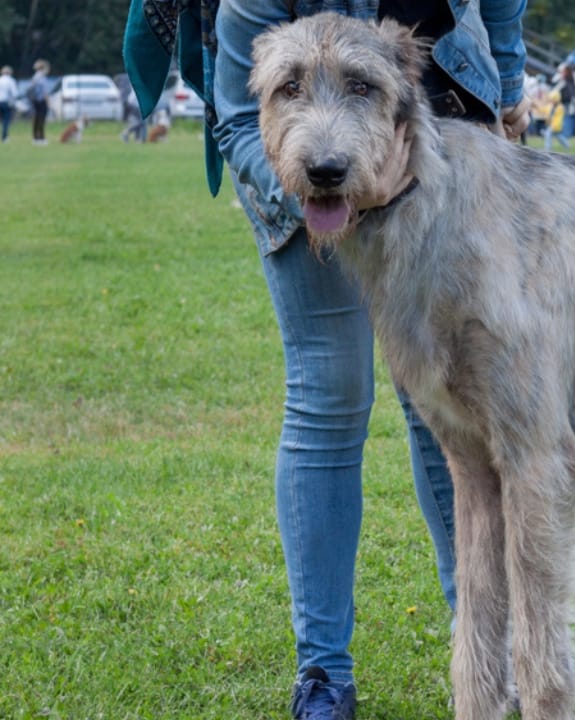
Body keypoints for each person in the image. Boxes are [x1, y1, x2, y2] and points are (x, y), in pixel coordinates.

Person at [126, 0, 530, 718]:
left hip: (440, 136)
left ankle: (486, 649)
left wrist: (511, 84)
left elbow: (500, 4)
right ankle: (322, 673)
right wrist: (309, 171)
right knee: (327, 394)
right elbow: (238, 117)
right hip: (297, 182)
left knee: (448, 406)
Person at [29, 59, 51, 146]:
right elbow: (45, 92)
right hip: (42, 101)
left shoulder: (34, 76)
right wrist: (48, 102)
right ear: (43, 68)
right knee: (42, 120)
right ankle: (42, 138)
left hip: (35, 101)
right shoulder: (42, 77)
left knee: (36, 119)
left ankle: (35, 138)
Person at [0, 65, 17, 143]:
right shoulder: (11, 81)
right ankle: (5, 137)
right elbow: (14, 93)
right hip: (6, 102)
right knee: (6, 121)